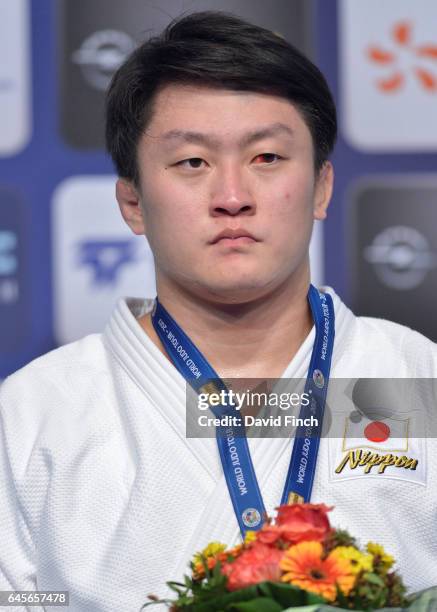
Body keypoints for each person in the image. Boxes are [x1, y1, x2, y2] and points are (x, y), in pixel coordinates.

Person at [1, 10, 436, 612]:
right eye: (192, 163)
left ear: (321, 188)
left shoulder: (415, 374)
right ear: (132, 201)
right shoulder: (34, 413)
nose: (232, 198)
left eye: (266, 158)